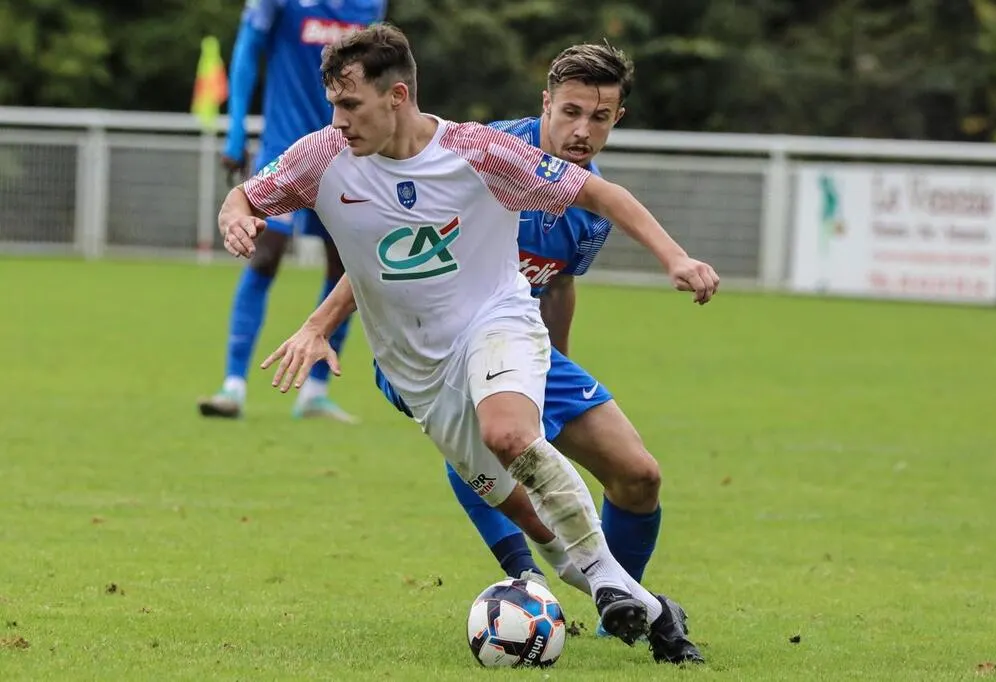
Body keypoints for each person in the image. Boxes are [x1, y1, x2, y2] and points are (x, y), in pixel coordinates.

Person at [223, 24, 718, 664]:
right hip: (417, 365)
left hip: (499, 324)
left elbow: (592, 216)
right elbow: (261, 204)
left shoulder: (478, 153)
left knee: (523, 437)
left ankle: (602, 586)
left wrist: (674, 259)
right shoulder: (323, 155)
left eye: (350, 105)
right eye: (335, 105)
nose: (339, 119)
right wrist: (241, 220)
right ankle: (645, 606)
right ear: (546, 104)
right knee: (537, 520)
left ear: (397, 96)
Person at [370, 43, 672, 639]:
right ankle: (525, 575)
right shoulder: (481, 154)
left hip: (518, 344)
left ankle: (620, 613)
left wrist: (553, 367)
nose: (583, 130)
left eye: (600, 117)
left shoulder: (589, 208)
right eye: (571, 112)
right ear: (545, 104)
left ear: (618, 118)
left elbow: (557, 284)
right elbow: (390, 253)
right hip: (431, 345)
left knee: (639, 475)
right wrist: (319, 324)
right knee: (495, 434)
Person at [197, 0, 387, 422]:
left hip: (345, 150)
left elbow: (381, 73)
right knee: (264, 254)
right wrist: (235, 132)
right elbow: (247, 49)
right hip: (284, 148)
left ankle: (315, 390)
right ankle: (233, 385)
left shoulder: (369, 4)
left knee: (347, 267)